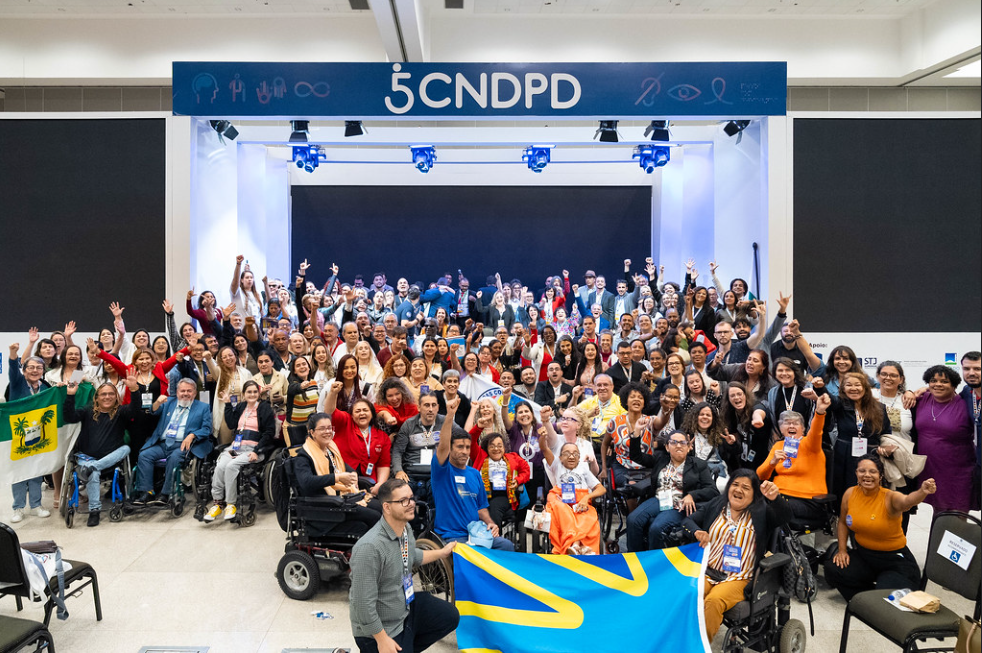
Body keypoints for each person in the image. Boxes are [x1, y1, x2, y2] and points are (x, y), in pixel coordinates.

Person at [349, 478, 459, 653]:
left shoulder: (405, 529)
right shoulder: (369, 548)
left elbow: (411, 556)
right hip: (380, 630)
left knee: (450, 616)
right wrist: (382, 639)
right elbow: (362, 604)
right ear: (387, 507)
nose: (411, 504)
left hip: (404, 608)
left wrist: (442, 552)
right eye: (403, 501)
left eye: (411, 498)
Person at [683, 472, 792, 642]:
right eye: (735, 484)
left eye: (745, 487)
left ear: (755, 493)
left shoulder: (762, 512)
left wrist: (776, 498)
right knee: (687, 592)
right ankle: (679, 640)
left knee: (713, 601)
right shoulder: (718, 504)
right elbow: (688, 521)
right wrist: (697, 531)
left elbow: (786, 516)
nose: (738, 489)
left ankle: (697, 646)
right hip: (708, 571)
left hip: (739, 577)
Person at [824, 455, 936, 601]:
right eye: (862, 471)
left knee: (886, 598)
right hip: (865, 556)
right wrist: (842, 550)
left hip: (894, 561)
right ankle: (864, 600)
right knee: (834, 569)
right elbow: (843, 523)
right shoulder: (850, 494)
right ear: (856, 474)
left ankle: (884, 594)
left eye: (873, 471)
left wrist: (922, 492)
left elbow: (907, 501)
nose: (867, 475)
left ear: (881, 476)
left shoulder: (889, 497)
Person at [431, 397, 515, 550]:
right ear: (451, 449)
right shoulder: (442, 470)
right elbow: (443, 445)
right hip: (452, 536)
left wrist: (490, 522)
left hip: (476, 534)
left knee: (507, 546)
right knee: (476, 555)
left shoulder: (475, 474)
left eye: (468, 447)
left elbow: (481, 508)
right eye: (460, 447)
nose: (465, 451)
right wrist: (450, 415)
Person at [626, 429, 718, 551]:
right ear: (667, 447)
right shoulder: (661, 459)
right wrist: (635, 434)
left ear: (689, 447)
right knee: (633, 519)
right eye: (674, 442)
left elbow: (712, 490)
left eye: (682, 442)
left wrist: (692, 495)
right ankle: (635, 558)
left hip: (680, 504)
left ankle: (655, 563)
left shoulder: (699, 465)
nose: (678, 445)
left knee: (656, 527)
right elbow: (636, 456)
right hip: (659, 500)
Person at [201, 380, 277, 522]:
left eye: (255, 391)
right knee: (220, 466)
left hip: (253, 449)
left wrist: (257, 450)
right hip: (236, 447)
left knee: (231, 466)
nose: (252, 394)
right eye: (249, 392)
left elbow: (269, 432)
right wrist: (228, 404)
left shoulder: (264, 408)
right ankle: (217, 502)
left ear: (259, 393)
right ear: (243, 394)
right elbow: (231, 424)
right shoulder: (241, 406)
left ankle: (231, 503)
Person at [62, 381, 135, 527]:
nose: (107, 397)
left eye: (111, 394)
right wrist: (70, 395)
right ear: (97, 397)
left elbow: (135, 410)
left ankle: (94, 467)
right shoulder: (88, 411)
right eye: (103, 394)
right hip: (87, 457)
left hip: (109, 459)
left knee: (126, 449)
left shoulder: (121, 412)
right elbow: (69, 417)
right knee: (93, 473)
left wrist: (134, 391)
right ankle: (94, 511)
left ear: (116, 396)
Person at [132, 378, 214, 506]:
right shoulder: (168, 402)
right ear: (177, 392)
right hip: (163, 443)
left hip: (183, 444)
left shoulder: (203, 407)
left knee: (175, 457)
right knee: (145, 455)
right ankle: (146, 492)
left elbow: (207, 429)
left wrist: (192, 435)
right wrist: (157, 403)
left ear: (194, 392)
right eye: (182, 391)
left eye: (189, 391)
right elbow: (153, 412)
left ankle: (166, 493)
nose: (185, 393)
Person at [755, 393, 831, 524]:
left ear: (803, 428)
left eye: (796, 424)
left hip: (807, 500)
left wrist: (819, 412)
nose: (791, 426)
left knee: (769, 511)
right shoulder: (779, 445)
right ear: (781, 429)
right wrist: (772, 463)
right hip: (778, 496)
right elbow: (761, 475)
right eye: (786, 423)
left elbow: (816, 431)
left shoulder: (811, 443)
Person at [912, 365, 975, 512]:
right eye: (933, 380)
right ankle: (937, 536)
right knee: (939, 510)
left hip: (958, 471)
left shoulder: (965, 404)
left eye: (944, 381)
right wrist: (911, 391)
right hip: (930, 468)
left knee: (956, 512)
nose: (938, 384)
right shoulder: (922, 399)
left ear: (953, 385)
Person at [390, 391, 468, 505]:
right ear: (419, 408)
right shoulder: (409, 424)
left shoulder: (446, 422)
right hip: (410, 474)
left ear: (438, 407)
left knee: (440, 491)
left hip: (437, 472)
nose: (430, 409)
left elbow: (464, 438)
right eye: (426, 405)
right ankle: (412, 522)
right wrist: (398, 471)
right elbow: (397, 451)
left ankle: (434, 521)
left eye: (433, 405)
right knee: (401, 493)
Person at [322, 381, 392, 493]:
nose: (362, 413)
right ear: (352, 414)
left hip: (369, 482)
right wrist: (333, 393)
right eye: (357, 411)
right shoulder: (345, 422)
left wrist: (380, 484)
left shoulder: (382, 436)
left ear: (372, 413)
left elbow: (383, 464)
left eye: (365, 410)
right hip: (342, 480)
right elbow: (329, 411)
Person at [541, 440, 606, 554]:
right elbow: (544, 449)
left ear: (579, 457)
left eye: (575, 454)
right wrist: (543, 436)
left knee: (587, 516)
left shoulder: (583, 469)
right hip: (561, 500)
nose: (571, 456)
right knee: (563, 510)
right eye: (567, 453)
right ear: (560, 457)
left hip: (580, 500)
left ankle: (579, 546)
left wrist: (587, 498)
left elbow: (601, 489)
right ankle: (574, 544)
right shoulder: (557, 465)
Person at [470, 432, 531, 531]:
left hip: (503, 495)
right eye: (492, 446)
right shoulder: (480, 457)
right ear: (487, 448)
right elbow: (471, 440)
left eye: (499, 446)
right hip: (482, 495)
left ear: (504, 447)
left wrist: (517, 480)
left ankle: (494, 537)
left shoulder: (512, 457)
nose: (496, 449)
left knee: (495, 506)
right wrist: (479, 428)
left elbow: (526, 470)